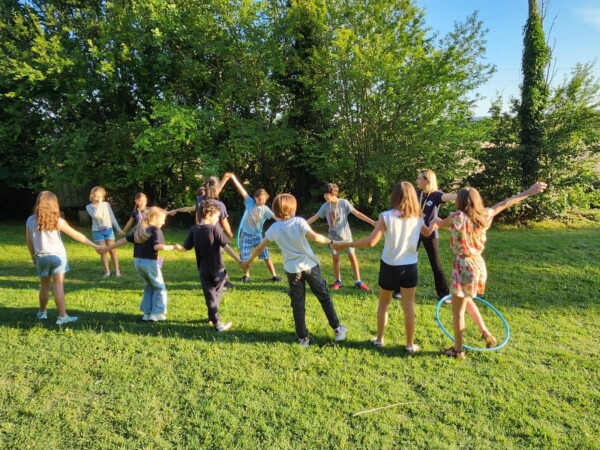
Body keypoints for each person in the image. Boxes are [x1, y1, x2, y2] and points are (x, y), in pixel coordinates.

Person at [431, 182, 548, 359]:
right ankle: (485, 332)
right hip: (478, 265)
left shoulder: (457, 216)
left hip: (463, 265)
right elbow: (506, 203)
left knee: (458, 311)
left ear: (460, 201)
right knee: (466, 300)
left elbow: (439, 223)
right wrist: (529, 191)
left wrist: (434, 221)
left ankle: (458, 349)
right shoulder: (484, 214)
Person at [333, 182, 435, 353]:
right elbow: (427, 232)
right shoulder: (417, 218)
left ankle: (380, 340)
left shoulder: (386, 216)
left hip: (390, 267)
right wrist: (437, 222)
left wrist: (347, 244)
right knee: (408, 306)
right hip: (410, 267)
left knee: (384, 303)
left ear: (394, 196)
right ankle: (410, 344)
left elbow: (371, 242)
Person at [242, 194, 348, 348]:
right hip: (310, 266)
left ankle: (303, 339)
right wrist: (332, 242)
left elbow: (260, 247)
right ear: (291, 209)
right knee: (324, 297)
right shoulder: (299, 221)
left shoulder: (274, 228)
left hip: (292, 271)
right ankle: (338, 330)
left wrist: (249, 261)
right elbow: (315, 237)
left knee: (298, 304)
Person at [26, 191, 104, 325]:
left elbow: (29, 242)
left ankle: (42, 312)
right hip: (58, 257)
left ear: (38, 203)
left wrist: (34, 257)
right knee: (58, 286)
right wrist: (94, 245)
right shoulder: (58, 220)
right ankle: (62, 317)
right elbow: (76, 235)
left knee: (44, 286)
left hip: (41, 257)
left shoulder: (31, 220)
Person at [101, 207, 179, 322]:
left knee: (149, 286)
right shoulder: (156, 230)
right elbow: (157, 246)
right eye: (163, 220)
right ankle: (156, 313)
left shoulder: (139, 229)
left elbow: (122, 241)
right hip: (150, 263)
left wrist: (107, 248)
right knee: (159, 287)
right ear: (155, 218)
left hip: (138, 263)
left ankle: (147, 313)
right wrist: (173, 247)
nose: (163, 223)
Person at [177, 200, 242, 332]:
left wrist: (175, 248)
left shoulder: (194, 229)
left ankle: (211, 317)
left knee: (210, 295)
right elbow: (226, 246)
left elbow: (185, 248)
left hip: (203, 269)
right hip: (218, 269)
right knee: (214, 295)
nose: (218, 219)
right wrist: (239, 260)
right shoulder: (214, 229)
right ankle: (217, 322)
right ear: (208, 214)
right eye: (217, 216)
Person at [394, 169, 457, 302]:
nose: (417, 181)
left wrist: (463, 195)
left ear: (426, 180)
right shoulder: (416, 193)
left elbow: (448, 197)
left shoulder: (436, 195)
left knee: (436, 264)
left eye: (419, 178)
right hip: (414, 232)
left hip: (430, 232)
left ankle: (444, 294)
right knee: (406, 260)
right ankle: (399, 290)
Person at [306, 183, 376, 291]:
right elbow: (314, 217)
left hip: (346, 237)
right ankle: (338, 280)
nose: (324, 196)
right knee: (335, 259)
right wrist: (301, 225)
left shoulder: (344, 203)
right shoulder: (325, 206)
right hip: (333, 239)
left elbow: (357, 214)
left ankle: (358, 281)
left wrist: (372, 222)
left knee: (352, 258)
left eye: (326, 194)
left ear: (333, 194)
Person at [224, 172, 282, 283]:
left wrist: (286, 222)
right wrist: (233, 177)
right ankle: (246, 275)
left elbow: (276, 218)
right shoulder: (249, 202)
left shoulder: (265, 209)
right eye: (260, 199)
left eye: (264, 200)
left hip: (257, 236)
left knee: (266, 256)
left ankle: (274, 276)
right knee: (244, 257)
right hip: (246, 235)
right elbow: (241, 190)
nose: (262, 201)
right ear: (255, 198)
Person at [86, 186, 123, 278]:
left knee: (112, 250)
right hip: (97, 231)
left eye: (100, 196)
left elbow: (112, 217)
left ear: (103, 196)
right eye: (96, 196)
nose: (97, 198)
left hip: (108, 229)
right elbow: (96, 216)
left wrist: (118, 229)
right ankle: (107, 271)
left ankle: (117, 270)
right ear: (92, 196)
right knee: (103, 251)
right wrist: (99, 204)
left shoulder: (106, 205)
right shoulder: (89, 207)